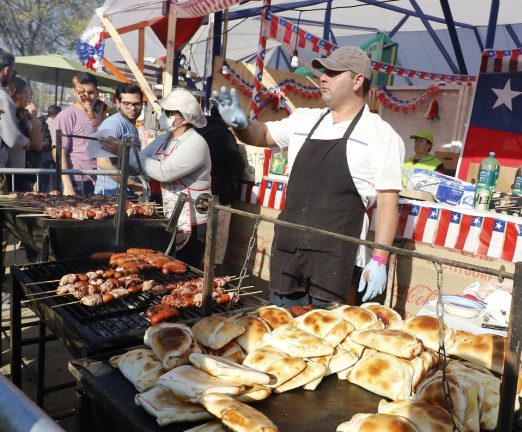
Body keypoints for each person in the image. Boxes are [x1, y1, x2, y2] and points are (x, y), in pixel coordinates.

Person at [211, 46, 404, 307]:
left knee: (325, 338)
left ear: (358, 80)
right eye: (324, 71)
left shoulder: (381, 135)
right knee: (281, 332)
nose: (323, 77)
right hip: (290, 251)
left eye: (334, 73)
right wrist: (241, 123)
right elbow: (262, 135)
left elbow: (388, 203)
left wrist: (380, 258)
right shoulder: (304, 119)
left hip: (336, 260)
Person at [101, 88, 211, 268]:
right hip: (166, 213)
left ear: (183, 117)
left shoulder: (195, 143)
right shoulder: (164, 139)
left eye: (168, 113)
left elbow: (164, 172)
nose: (162, 115)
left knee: (184, 268)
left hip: (191, 221)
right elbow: (139, 163)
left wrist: (124, 151)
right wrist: (115, 155)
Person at [195, 105, 246, 265]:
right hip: (218, 195)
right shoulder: (224, 135)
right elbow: (238, 167)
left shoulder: (196, 130)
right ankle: (210, 283)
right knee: (214, 246)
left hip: (196, 195)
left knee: (197, 244)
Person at [53, 72, 102, 195]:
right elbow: (58, 152)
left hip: (97, 181)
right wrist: (68, 186)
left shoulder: (98, 117)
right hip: (77, 181)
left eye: (90, 92)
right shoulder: (66, 116)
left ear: (97, 93)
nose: (86, 96)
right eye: (82, 93)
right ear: (75, 92)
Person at [95, 83, 144, 196]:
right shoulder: (112, 124)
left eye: (136, 104)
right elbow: (102, 162)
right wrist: (132, 184)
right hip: (110, 195)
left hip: (124, 194)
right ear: (117, 102)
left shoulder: (130, 125)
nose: (132, 108)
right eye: (127, 104)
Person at [5, 76, 43, 191]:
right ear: (15, 93)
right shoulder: (4, 116)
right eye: (25, 92)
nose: (28, 96)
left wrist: (34, 119)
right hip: (4, 176)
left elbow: (37, 146)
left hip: (20, 176)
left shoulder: (23, 117)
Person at [0, 48, 30, 192]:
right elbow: (11, 138)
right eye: (11, 72)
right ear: (6, 70)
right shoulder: (3, 97)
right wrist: (25, 141)